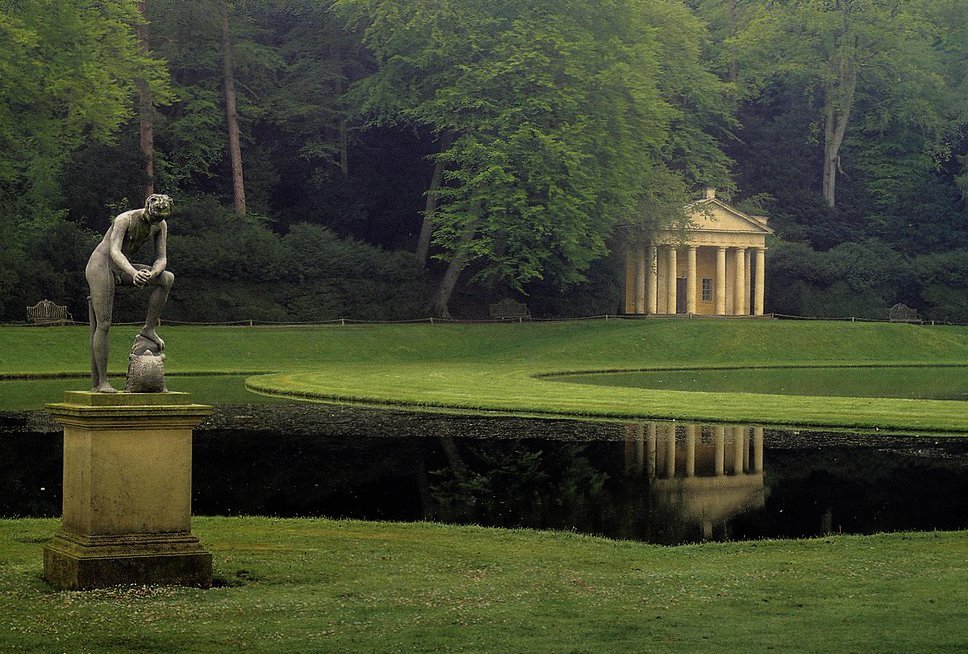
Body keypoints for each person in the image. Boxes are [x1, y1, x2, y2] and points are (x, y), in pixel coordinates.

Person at [85, 194, 174, 393]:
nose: (156, 222)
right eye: (154, 218)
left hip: (122, 268)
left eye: (160, 219)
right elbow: (115, 252)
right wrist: (134, 273)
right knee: (104, 324)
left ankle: (148, 330)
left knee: (167, 279)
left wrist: (153, 272)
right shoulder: (124, 219)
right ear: (147, 208)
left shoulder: (160, 225)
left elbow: (162, 258)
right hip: (101, 266)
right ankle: (102, 382)